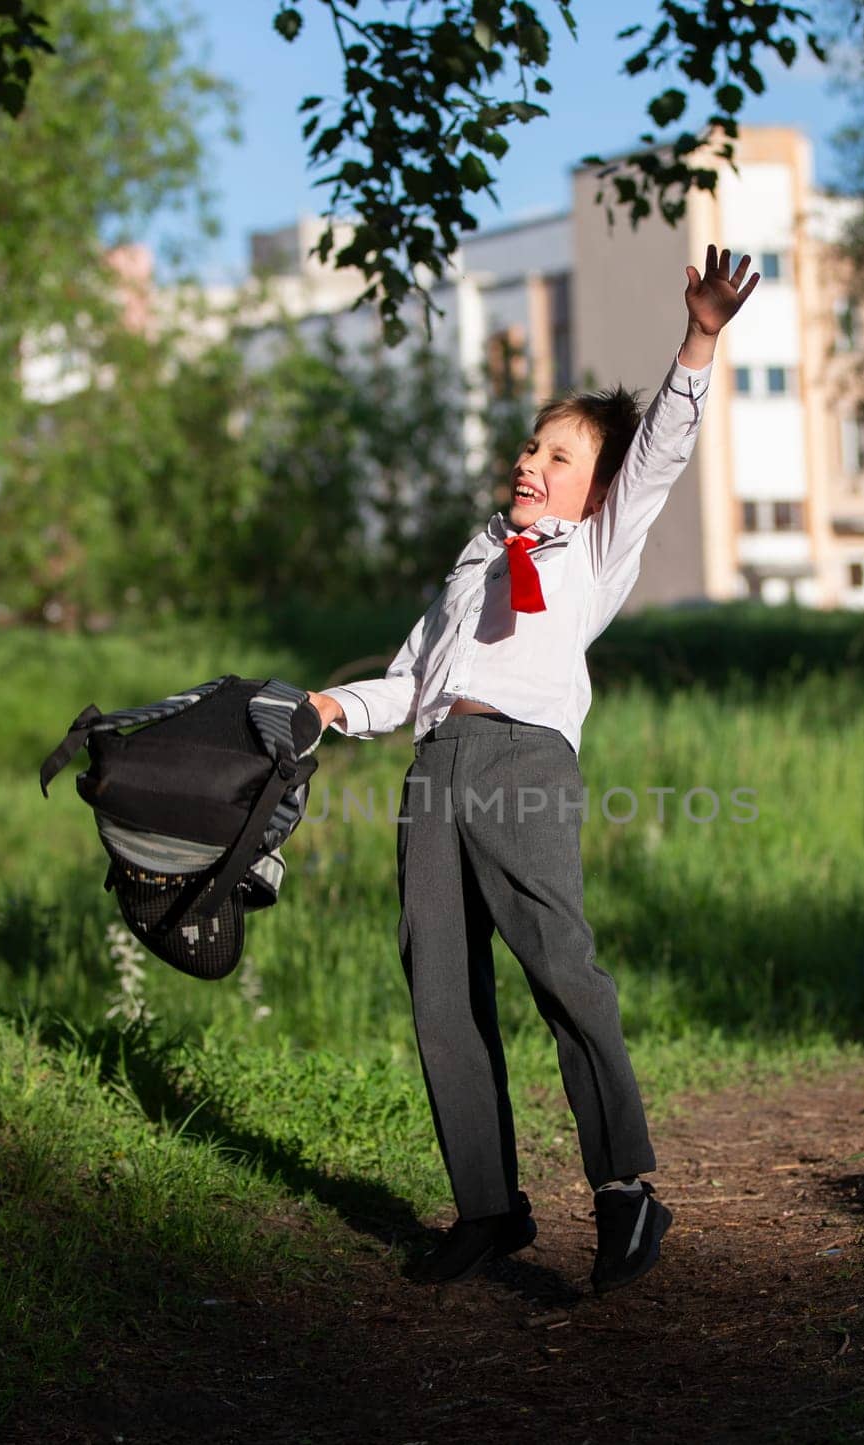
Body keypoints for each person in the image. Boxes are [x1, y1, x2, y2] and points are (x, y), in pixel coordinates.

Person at [308, 245, 759, 1292]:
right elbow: (410, 682)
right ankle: (486, 1207)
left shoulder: (594, 549)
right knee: (438, 986)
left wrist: (697, 337)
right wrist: (331, 706)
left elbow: (659, 455)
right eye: (530, 447)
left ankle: (624, 1192)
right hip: (435, 766)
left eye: (560, 457)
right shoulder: (472, 562)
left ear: (593, 487)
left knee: (560, 966)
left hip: (522, 761)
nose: (533, 465)